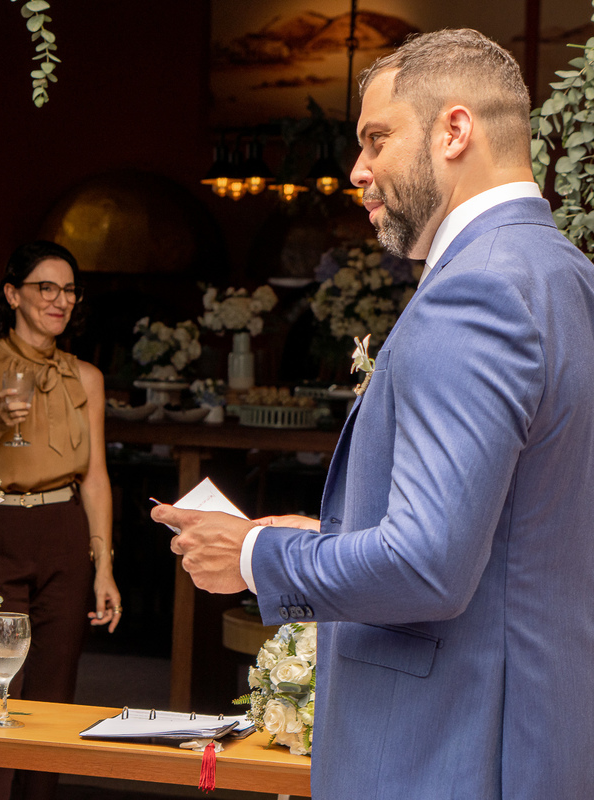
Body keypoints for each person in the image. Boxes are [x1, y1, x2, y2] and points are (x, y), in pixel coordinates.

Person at [154, 29, 594, 799]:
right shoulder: (568, 276)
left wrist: (256, 557)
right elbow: (520, 529)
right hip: (541, 737)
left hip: (449, 752)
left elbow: (428, 566)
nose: (357, 170)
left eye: (376, 139)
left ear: (455, 130)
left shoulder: (475, 291)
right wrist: (329, 537)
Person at [0, 240, 122, 800]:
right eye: (45, 288)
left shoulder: (87, 378)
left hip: (64, 535)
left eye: (68, 289)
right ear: (12, 295)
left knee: (53, 693)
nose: (60, 300)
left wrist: (104, 565)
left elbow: (95, 475)